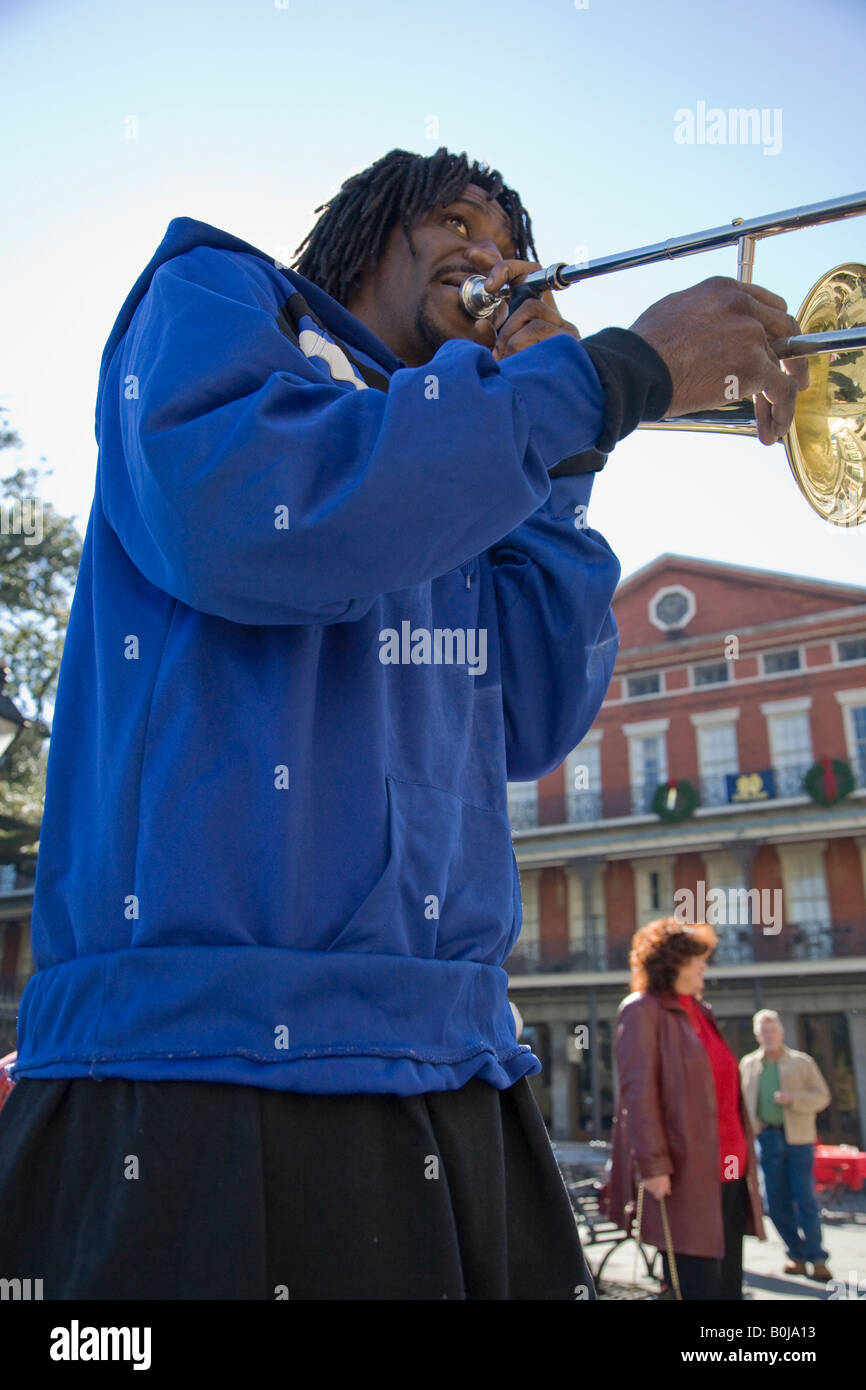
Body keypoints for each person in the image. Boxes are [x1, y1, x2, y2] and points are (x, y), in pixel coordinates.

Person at [0, 147, 805, 1300]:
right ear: (362, 236)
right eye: (452, 220)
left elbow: (532, 711)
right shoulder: (217, 296)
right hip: (189, 1070)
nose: (493, 254)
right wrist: (606, 377)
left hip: (456, 1071)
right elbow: (240, 516)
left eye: (510, 244)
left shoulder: (470, 458)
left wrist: (563, 463)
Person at [607, 918, 765, 1300]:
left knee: (728, 1286)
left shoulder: (701, 1011)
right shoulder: (641, 1011)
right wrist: (655, 1165)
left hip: (729, 1172)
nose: (705, 967)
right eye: (699, 959)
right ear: (675, 963)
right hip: (685, 1174)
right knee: (698, 1286)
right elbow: (637, 1095)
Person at [740, 1009, 832, 1281]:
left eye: (773, 1030)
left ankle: (817, 1257)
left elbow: (822, 1097)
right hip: (766, 1139)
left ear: (781, 1032)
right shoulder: (749, 1065)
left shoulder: (801, 1062)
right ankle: (797, 1253)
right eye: (763, 1031)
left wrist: (793, 1098)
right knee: (775, 1202)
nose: (769, 1036)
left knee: (804, 1199)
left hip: (798, 1138)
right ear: (757, 1035)